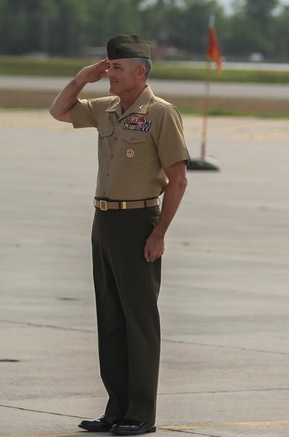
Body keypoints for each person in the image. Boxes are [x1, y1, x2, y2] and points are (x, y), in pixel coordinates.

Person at [49, 35, 189, 436]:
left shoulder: (161, 113)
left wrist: (159, 233)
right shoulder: (106, 109)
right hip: (104, 221)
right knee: (109, 318)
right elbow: (59, 110)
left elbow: (178, 181)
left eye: (117, 68)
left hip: (139, 222)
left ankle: (141, 413)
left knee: (138, 321)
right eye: (107, 66)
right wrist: (82, 77)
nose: (109, 73)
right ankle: (117, 407)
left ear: (141, 71)